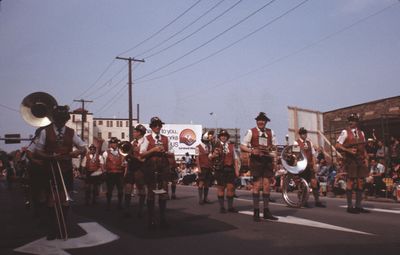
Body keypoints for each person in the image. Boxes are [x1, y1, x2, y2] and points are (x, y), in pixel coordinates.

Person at [33, 105, 86, 240]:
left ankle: (63, 226)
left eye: (63, 119)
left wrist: (75, 152)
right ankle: (52, 229)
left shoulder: (71, 132)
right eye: (59, 119)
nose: (61, 122)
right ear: (55, 119)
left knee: (64, 198)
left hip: (66, 169)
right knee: (51, 199)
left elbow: (83, 147)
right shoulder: (46, 131)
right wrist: (49, 157)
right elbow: (37, 151)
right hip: (50, 168)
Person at [240, 112, 278, 221]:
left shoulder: (271, 132)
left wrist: (275, 161)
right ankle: (256, 211)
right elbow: (242, 146)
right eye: (259, 120)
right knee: (256, 185)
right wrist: (252, 150)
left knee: (266, 185)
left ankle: (266, 210)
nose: (261, 122)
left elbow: (274, 148)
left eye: (263, 120)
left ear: (266, 122)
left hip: (268, 160)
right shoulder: (251, 131)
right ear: (257, 121)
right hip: (256, 161)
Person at [140, 117, 173, 229]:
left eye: (159, 125)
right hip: (151, 168)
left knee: (163, 193)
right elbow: (142, 154)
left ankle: (163, 218)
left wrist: (165, 151)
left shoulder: (166, 139)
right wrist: (153, 150)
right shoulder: (147, 138)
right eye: (155, 125)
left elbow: (172, 153)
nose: (157, 127)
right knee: (151, 193)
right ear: (151, 127)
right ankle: (151, 219)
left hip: (163, 168)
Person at [336, 113, 370, 214]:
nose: (351, 122)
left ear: (357, 122)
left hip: (360, 160)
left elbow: (363, 147)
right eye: (350, 120)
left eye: (353, 120)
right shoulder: (345, 132)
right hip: (350, 160)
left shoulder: (362, 133)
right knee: (350, 181)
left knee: (360, 181)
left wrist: (366, 157)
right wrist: (348, 150)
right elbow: (337, 145)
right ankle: (350, 206)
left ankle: (358, 206)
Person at [294, 127, 325, 208]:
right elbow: (295, 155)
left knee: (314, 183)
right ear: (300, 134)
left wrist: (314, 165)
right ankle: (303, 200)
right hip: (302, 166)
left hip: (310, 165)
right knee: (303, 184)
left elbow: (313, 155)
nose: (304, 135)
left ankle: (317, 201)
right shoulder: (296, 142)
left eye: (305, 133)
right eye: (303, 133)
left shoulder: (309, 142)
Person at [211, 129, 239, 213]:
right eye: (222, 136)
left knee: (231, 188)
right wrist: (214, 155)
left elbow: (235, 159)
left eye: (225, 136)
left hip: (230, 168)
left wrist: (237, 170)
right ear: (219, 137)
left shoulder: (231, 146)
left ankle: (230, 207)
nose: (223, 137)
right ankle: (222, 207)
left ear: (227, 137)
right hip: (220, 169)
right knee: (221, 188)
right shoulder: (215, 145)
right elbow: (210, 157)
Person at [123, 124, 147, 217]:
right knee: (128, 187)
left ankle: (140, 210)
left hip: (140, 167)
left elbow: (141, 155)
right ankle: (127, 210)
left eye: (135, 131)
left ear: (140, 133)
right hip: (131, 167)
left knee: (141, 188)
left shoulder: (145, 142)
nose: (133, 133)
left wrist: (134, 152)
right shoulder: (133, 142)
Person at [103, 137, 126, 210]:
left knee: (120, 190)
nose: (114, 144)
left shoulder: (121, 152)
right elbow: (103, 164)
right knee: (109, 190)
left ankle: (119, 204)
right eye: (112, 143)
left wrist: (123, 165)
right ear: (110, 144)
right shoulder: (106, 153)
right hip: (110, 173)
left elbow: (124, 162)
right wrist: (104, 173)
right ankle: (108, 204)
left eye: (115, 143)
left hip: (119, 173)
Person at [195, 131, 214, 205]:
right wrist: (199, 168)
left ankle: (205, 198)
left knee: (207, 183)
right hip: (202, 167)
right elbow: (197, 158)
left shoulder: (209, 146)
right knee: (201, 183)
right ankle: (200, 199)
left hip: (208, 166)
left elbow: (210, 157)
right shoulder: (198, 147)